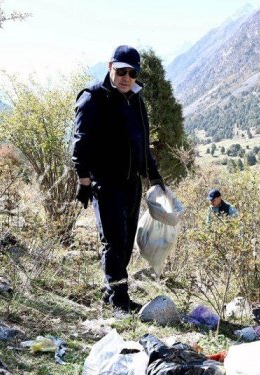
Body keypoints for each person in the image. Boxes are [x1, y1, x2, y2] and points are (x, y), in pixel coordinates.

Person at [71, 45, 165, 314]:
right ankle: (119, 301)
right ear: (110, 66)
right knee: (113, 241)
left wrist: (154, 176)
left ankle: (112, 291)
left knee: (125, 242)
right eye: (121, 70)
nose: (126, 77)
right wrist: (84, 180)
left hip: (131, 182)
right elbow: (80, 143)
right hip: (106, 181)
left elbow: (142, 143)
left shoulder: (135, 99)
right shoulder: (93, 98)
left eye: (132, 72)